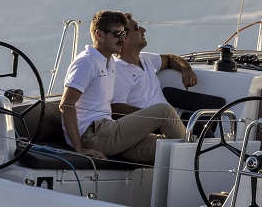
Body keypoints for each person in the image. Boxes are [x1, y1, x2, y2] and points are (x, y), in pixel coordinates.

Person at [60, 10, 187, 164]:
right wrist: (79, 148)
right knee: (164, 111)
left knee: (170, 148)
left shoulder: (109, 62)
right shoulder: (87, 62)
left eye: (123, 34)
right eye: (117, 34)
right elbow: (66, 104)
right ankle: (193, 148)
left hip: (108, 132)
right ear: (99, 34)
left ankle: (192, 151)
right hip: (93, 134)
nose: (122, 39)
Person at [111, 14, 198, 114]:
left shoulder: (145, 59)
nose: (143, 30)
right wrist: (155, 117)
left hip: (167, 117)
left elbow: (169, 58)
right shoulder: (117, 70)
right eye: (137, 27)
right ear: (125, 38)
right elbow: (116, 108)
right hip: (155, 121)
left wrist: (186, 69)